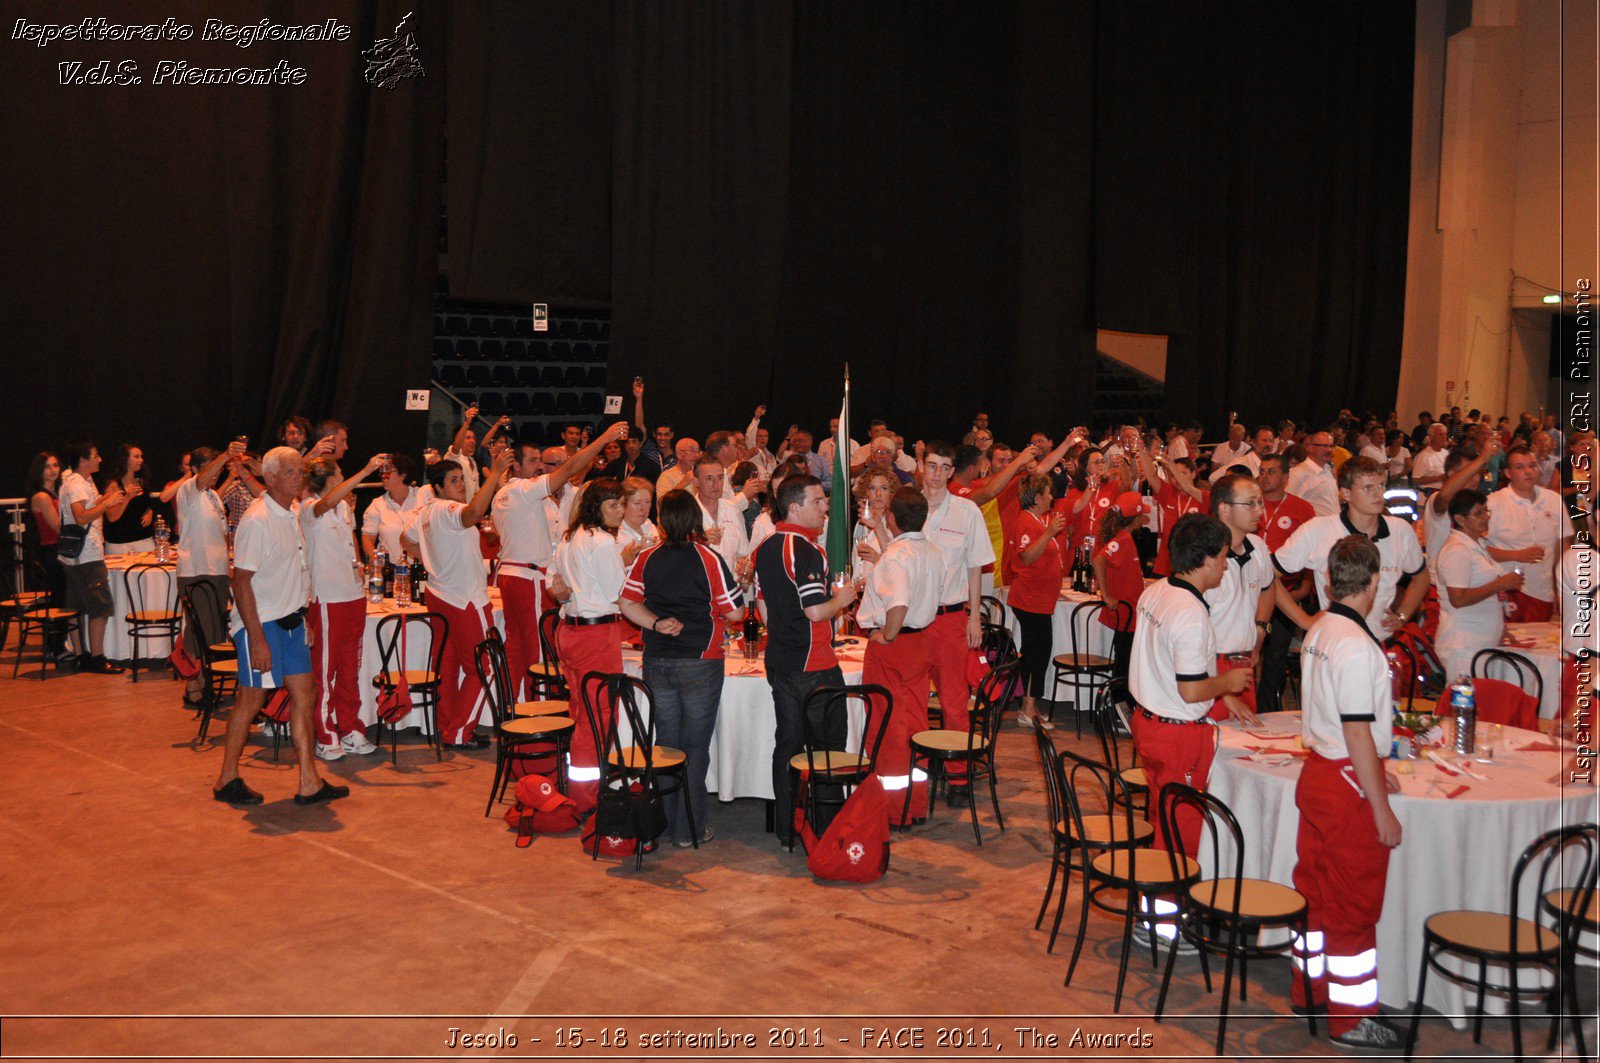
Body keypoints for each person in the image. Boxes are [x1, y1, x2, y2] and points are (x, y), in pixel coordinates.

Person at [1291, 536, 1404, 1050]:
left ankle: (1308, 991)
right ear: (1376, 581)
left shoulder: (1321, 629)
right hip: (1346, 784)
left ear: (1332, 580)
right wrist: (1381, 806)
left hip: (1320, 772)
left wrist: (1376, 773)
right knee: (1354, 906)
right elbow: (1358, 730)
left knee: (1315, 894)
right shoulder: (1357, 645)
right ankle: (1351, 1019)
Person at [1129, 513, 1256, 938]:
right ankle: (1165, 925)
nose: (1225, 565)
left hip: (1149, 722)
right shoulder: (1190, 614)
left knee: (1161, 819)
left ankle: (1153, 909)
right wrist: (1228, 682)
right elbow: (1190, 691)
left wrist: (1225, 694)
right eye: (1222, 557)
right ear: (1203, 560)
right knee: (1180, 833)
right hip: (1178, 733)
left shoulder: (1157, 591)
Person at [211, 446, 347, 807]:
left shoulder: (293, 513)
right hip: (262, 622)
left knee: (306, 694)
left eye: (300, 471)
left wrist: (302, 618)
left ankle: (309, 781)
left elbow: (295, 571)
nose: (299, 477)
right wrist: (256, 639)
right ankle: (226, 778)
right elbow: (240, 582)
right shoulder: (258, 520)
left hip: (290, 622)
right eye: (291, 472)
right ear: (270, 478)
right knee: (252, 699)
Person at [619, 490, 746, 848]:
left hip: (657, 659)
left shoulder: (647, 556)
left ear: (661, 521)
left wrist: (657, 623)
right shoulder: (709, 558)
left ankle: (663, 823)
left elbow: (627, 601)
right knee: (694, 748)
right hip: (700, 660)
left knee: (667, 745)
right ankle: (690, 828)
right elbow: (735, 612)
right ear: (696, 520)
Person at [753, 473, 858, 847]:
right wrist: (845, 600)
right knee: (829, 750)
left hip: (781, 660)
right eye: (818, 501)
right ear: (794, 506)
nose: (826, 507)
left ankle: (786, 830)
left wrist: (784, 631)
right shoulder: (807, 550)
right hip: (815, 666)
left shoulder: (765, 547)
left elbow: (762, 605)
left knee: (788, 746)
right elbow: (815, 612)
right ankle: (827, 830)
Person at [493, 426, 626, 699]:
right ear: (515, 465)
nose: (543, 469)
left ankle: (522, 714)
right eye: (537, 462)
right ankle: (538, 727)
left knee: (526, 649)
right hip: (528, 575)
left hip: (542, 577)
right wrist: (604, 439)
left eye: (548, 464)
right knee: (538, 653)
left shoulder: (573, 496)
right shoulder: (522, 491)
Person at [404, 449, 514, 749]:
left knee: (449, 667)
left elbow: (406, 540)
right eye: (454, 481)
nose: (461, 485)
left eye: (461, 479)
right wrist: (494, 475)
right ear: (438, 488)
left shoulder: (425, 511)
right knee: (486, 666)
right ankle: (458, 732)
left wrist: (433, 562)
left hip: (440, 593)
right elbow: (475, 514)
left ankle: (448, 726)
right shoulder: (446, 509)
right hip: (465, 598)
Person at [856, 487, 944, 825]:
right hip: (921, 643)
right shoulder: (931, 550)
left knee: (888, 726)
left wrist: (887, 635)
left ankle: (893, 811)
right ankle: (915, 805)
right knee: (915, 723)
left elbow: (898, 603)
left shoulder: (896, 555)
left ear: (892, 517)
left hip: (895, 647)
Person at [1274, 457, 1430, 641]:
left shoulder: (1400, 530)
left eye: (1381, 485)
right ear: (1346, 494)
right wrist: (1304, 621)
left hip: (1381, 643)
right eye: (1368, 488)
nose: (1378, 494)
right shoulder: (1318, 529)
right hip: (1334, 643)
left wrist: (1402, 615)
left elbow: (1421, 577)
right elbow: (1267, 574)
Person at [550, 477, 631, 815]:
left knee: (581, 712)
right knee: (597, 717)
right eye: (614, 505)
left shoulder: (570, 537)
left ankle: (579, 789)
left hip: (570, 630)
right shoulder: (600, 542)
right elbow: (618, 593)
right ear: (596, 508)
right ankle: (588, 798)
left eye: (622, 504)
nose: (621, 512)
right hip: (595, 635)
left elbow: (555, 584)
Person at [302, 454, 386, 761]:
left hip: (352, 597)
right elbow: (324, 504)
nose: (345, 479)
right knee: (324, 672)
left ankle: (350, 729)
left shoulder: (343, 508)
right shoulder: (309, 508)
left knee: (351, 670)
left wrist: (359, 567)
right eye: (339, 475)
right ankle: (325, 735)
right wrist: (366, 470)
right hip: (327, 600)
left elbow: (349, 539)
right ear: (328, 481)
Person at [919, 442, 994, 774]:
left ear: (952, 472)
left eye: (944, 468)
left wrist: (974, 617)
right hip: (910, 621)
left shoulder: (967, 511)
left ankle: (959, 776)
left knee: (953, 702)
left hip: (950, 618)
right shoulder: (905, 506)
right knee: (913, 700)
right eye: (932, 465)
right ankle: (918, 773)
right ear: (921, 465)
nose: (936, 474)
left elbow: (975, 567)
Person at [1203, 474, 1275, 718]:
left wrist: (1261, 629)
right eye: (1250, 504)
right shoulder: (1206, 557)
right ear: (1224, 509)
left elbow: (1268, 587)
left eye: (1260, 503)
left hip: (1244, 662)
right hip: (1210, 664)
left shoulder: (1258, 546)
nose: (1259, 511)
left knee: (1245, 744)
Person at [174, 444, 242, 702]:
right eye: (211, 467)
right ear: (194, 469)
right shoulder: (189, 489)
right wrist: (225, 455)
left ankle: (205, 681)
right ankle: (195, 687)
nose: (216, 473)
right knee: (198, 629)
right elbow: (202, 480)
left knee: (212, 627)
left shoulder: (211, 495)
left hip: (216, 570)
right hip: (197, 570)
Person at [1434, 490, 1519, 679]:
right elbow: (1458, 598)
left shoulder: (1476, 545)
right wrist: (1499, 584)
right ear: (1460, 519)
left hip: (1480, 639)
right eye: (1478, 513)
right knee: (1464, 703)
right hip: (1463, 642)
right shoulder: (1457, 550)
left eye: (1486, 511)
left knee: (1480, 702)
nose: (1485, 517)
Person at [58, 441, 125, 674]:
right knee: (100, 606)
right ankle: (97, 657)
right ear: (83, 459)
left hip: (79, 556)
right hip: (86, 555)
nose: (100, 459)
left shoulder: (84, 481)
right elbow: (81, 517)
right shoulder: (76, 483)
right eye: (95, 455)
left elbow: (87, 506)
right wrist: (107, 504)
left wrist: (104, 499)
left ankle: (81, 656)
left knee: (75, 606)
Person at [1485, 444, 1574, 622]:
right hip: (1505, 590)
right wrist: (1517, 555)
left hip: (1543, 592)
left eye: (1532, 465)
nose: (1528, 472)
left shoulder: (1553, 499)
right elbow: (1477, 551)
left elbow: (1562, 550)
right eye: (1520, 467)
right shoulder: (1493, 503)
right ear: (1508, 473)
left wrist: (1561, 590)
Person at [1007, 474, 1066, 728]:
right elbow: (1027, 557)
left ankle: (1028, 707)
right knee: (1036, 655)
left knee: (1037, 653)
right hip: (1030, 599)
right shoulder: (1026, 523)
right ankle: (1028, 709)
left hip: (1039, 598)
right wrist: (1050, 532)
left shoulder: (1034, 520)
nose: (1051, 497)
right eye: (1048, 493)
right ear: (1037, 498)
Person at [1091, 491, 1149, 680]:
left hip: (1129, 610)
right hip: (1126, 612)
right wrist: (1106, 594)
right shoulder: (1123, 538)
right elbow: (1098, 560)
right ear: (1137, 517)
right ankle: (1119, 703)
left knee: (1125, 662)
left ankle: (1119, 701)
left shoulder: (1125, 537)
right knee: (1124, 665)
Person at [690, 454, 749, 574]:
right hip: (702, 587)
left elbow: (744, 552)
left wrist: (745, 566)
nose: (716, 484)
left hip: (730, 587)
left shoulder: (733, 509)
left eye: (720, 478)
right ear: (696, 481)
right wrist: (700, 540)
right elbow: (679, 557)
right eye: (709, 478)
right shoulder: (687, 513)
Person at [361, 454, 423, 562]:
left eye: (388, 472)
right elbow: (367, 540)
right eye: (382, 472)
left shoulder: (423, 496)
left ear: (403, 474)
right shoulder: (377, 504)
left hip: (422, 569)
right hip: (390, 571)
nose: (383, 476)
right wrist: (377, 566)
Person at [101, 444, 155, 554]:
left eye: (141, 456)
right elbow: (111, 517)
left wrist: (150, 511)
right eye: (136, 457)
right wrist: (128, 497)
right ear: (125, 459)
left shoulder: (141, 481)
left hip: (144, 540)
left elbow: (147, 504)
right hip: (120, 544)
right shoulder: (114, 485)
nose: (141, 460)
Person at [1287, 431, 1340, 518]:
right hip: (1315, 528)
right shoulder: (1298, 473)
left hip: (1334, 527)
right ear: (1311, 448)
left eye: (1331, 446)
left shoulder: (1327, 469)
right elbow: (1287, 505)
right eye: (1324, 446)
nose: (1329, 450)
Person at [616, 476, 660, 561]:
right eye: (637, 503)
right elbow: (619, 571)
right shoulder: (617, 535)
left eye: (647, 502)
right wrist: (642, 552)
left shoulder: (649, 525)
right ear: (623, 505)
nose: (643, 508)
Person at [1411, 423, 1450, 492]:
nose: (1444, 437)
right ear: (1431, 437)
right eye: (1440, 434)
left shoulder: (1446, 453)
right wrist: (1439, 478)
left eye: (1445, 434)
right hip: (1428, 493)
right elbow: (1416, 479)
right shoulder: (1423, 456)